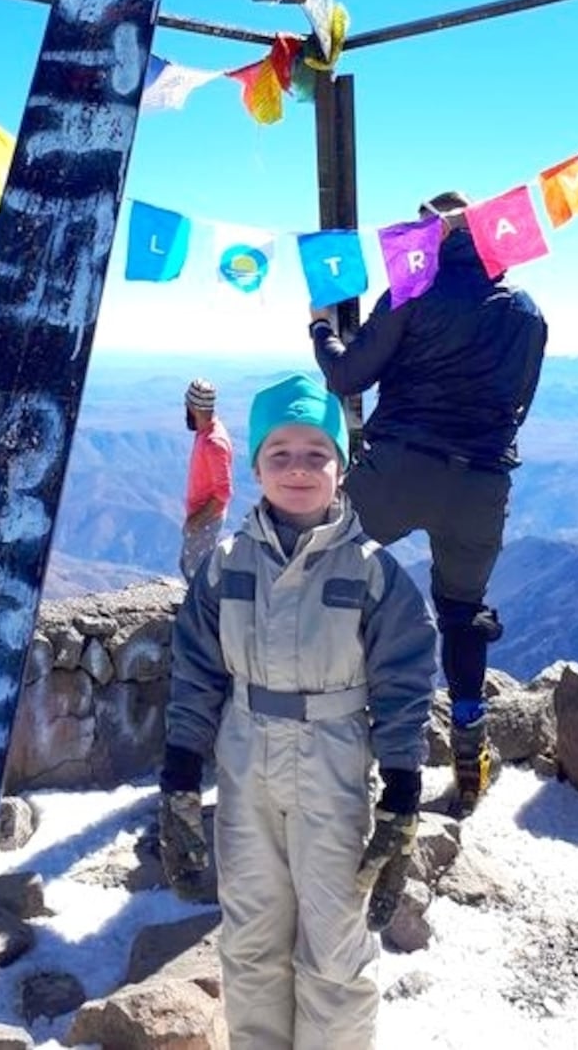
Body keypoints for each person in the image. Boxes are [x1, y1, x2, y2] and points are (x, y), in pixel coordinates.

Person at [158, 373, 436, 1050]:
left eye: (317, 452)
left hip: (334, 766)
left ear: (342, 467)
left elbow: (404, 682)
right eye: (279, 452)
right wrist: (179, 779)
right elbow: (196, 671)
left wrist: (401, 793)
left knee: (336, 949)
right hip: (246, 762)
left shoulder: (372, 572)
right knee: (250, 941)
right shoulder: (226, 566)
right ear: (254, 466)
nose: (299, 468)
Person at [308, 190, 547, 813]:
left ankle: (317, 733)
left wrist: (318, 328)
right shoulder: (529, 313)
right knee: (464, 614)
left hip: (400, 468)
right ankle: (470, 752)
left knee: (321, 571)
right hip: (482, 486)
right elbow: (519, 401)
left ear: (438, 233)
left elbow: (347, 377)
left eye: (420, 227)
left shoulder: (413, 292)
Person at [180, 377, 234, 581]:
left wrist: (197, 520)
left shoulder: (214, 443)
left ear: (193, 407)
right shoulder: (207, 433)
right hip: (204, 516)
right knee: (190, 566)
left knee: (197, 573)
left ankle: (201, 612)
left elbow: (223, 493)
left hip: (207, 518)